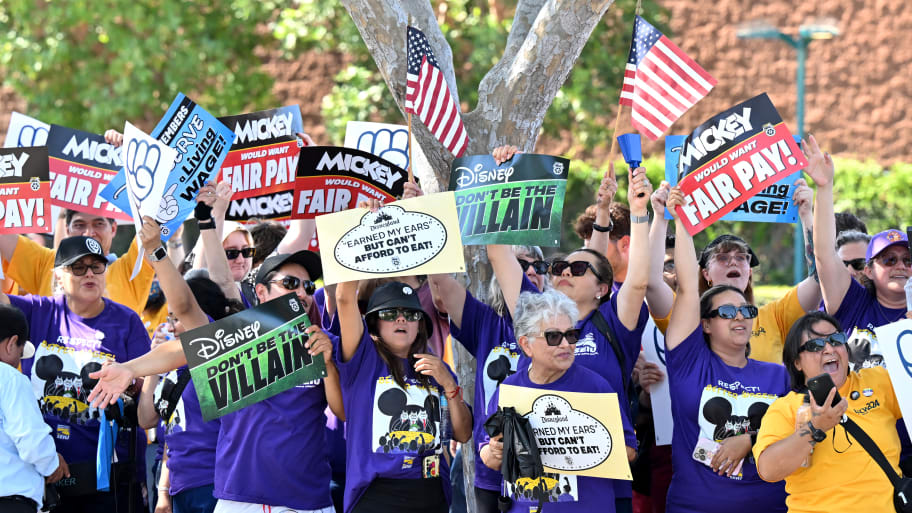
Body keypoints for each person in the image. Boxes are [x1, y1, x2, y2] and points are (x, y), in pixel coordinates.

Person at [89, 217, 344, 512]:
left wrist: (330, 366)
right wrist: (131, 368)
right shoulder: (240, 336)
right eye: (289, 283)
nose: (301, 292)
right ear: (261, 293)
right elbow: (185, 324)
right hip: (240, 499)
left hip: (307, 501)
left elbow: (341, 412)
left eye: (309, 286)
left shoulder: (321, 342)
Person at [661, 186, 789, 513]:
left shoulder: (779, 375)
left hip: (770, 505)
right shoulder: (689, 362)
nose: (739, 317)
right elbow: (689, 289)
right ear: (705, 324)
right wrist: (682, 222)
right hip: (696, 506)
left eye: (746, 311)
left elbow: (802, 429)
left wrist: (751, 440)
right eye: (727, 312)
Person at [0, 235, 151, 512]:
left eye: (97, 266)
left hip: (111, 477)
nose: (89, 274)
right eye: (78, 267)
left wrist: (127, 382)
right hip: (49, 471)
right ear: (58, 275)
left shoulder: (127, 320)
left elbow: (146, 385)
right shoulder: (39, 310)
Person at [480, 289, 635, 512]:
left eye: (571, 334)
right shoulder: (509, 389)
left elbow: (630, 451)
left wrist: (579, 446)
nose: (566, 344)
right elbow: (489, 456)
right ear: (526, 345)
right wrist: (494, 450)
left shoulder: (595, 387)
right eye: (554, 337)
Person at [335, 278, 472, 513]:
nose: (401, 319)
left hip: (431, 493)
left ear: (420, 324)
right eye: (390, 313)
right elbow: (344, 298)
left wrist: (448, 383)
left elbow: (463, 432)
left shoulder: (436, 369)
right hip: (377, 496)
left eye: (411, 314)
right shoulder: (363, 357)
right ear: (375, 323)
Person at [427, 245, 545, 513]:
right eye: (520, 265)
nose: (529, 273)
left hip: (544, 465)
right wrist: (425, 224)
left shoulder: (556, 330)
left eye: (537, 267)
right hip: (491, 466)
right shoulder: (486, 321)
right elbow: (443, 283)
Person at [754, 311, 902, 512]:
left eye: (836, 339)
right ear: (797, 362)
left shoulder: (878, 381)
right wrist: (815, 428)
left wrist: (906, 335)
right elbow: (768, 469)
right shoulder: (785, 408)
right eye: (815, 345)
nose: (829, 348)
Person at [807, 134, 908, 370]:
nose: (901, 266)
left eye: (908, 260)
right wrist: (824, 188)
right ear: (869, 270)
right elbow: (824, 254)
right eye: (889, 260)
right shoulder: (852, 302)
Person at [0, 209, 155, 315]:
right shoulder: (46, 262)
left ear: (113, 228)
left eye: (98, 224)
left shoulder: (131, 268)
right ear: (67, 229)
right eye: (79, 225)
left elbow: (157, 222)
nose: (88, 233)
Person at [0, 304, 70, 513]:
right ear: (12, 344)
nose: (17, 364)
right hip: (9, 501)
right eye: (20, 355)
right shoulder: (9, 378)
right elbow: (30, 440)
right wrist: (52, 464)